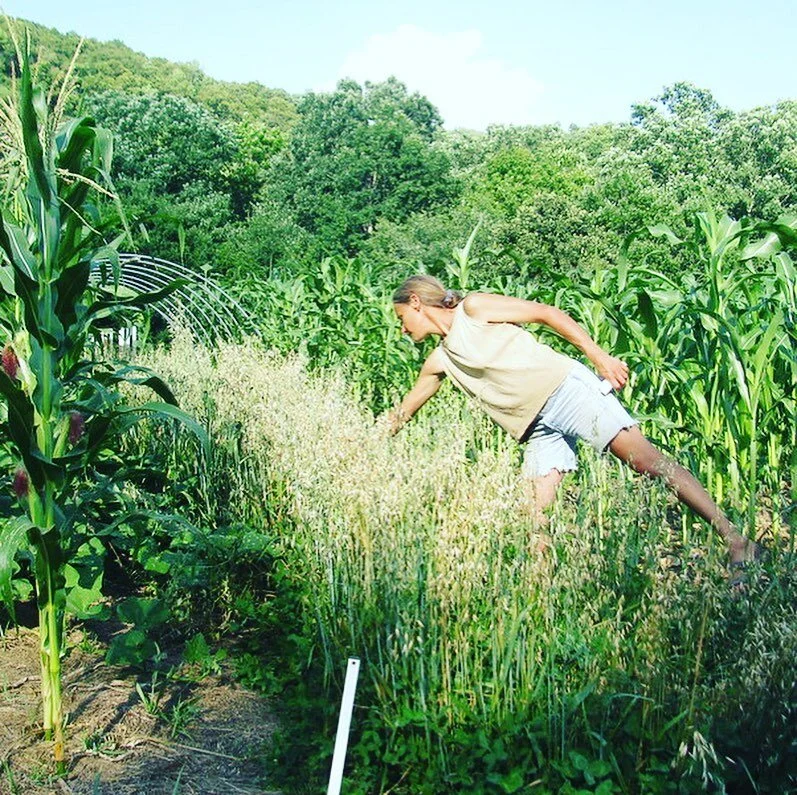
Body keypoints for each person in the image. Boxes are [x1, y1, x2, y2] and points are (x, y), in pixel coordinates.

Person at [388, 274, 760, 574]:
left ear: (416, 303)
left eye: (402, 318)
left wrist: (600, 358)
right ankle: (540, 597)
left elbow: (547, 313)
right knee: (538, 513)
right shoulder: (439, 360)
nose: (402, 329)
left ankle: (737, 541)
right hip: (537, 427)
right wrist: (367, 440)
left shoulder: (474, 309)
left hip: (568, 391)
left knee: (649, 463)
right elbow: (403, 411)